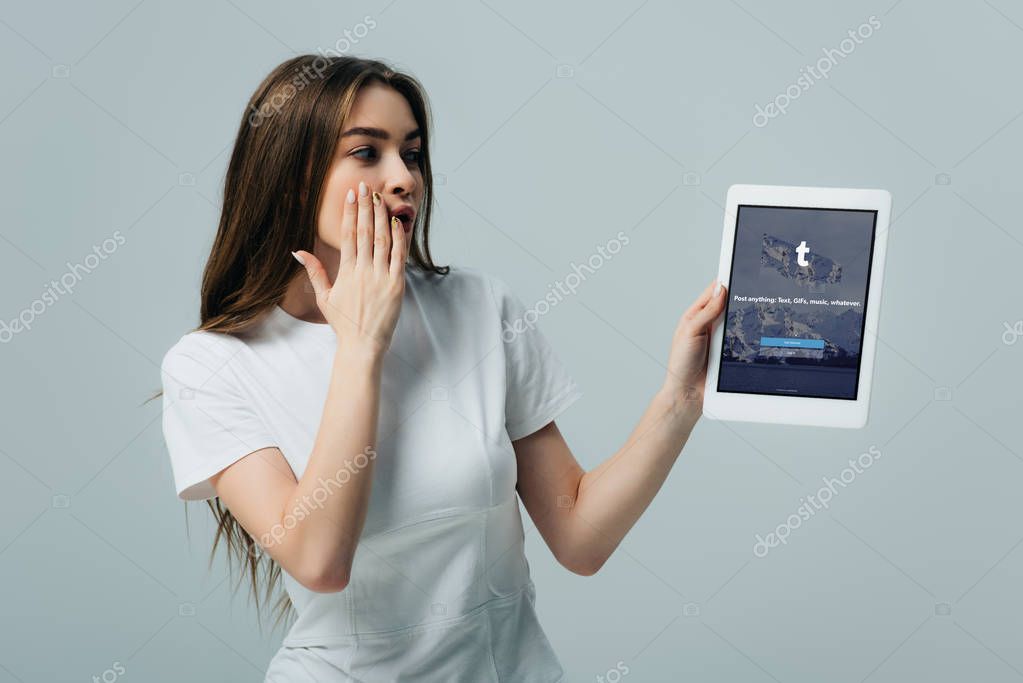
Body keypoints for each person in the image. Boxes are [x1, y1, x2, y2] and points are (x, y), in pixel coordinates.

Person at [159, 54, 728, 682]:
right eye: (367, 153)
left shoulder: (480, 307)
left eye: (412, 152)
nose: (404, 178)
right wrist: (360, 346)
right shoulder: (210, 366)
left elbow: (579, 536)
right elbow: (319, 560)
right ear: (293, 179)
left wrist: (681, 400)